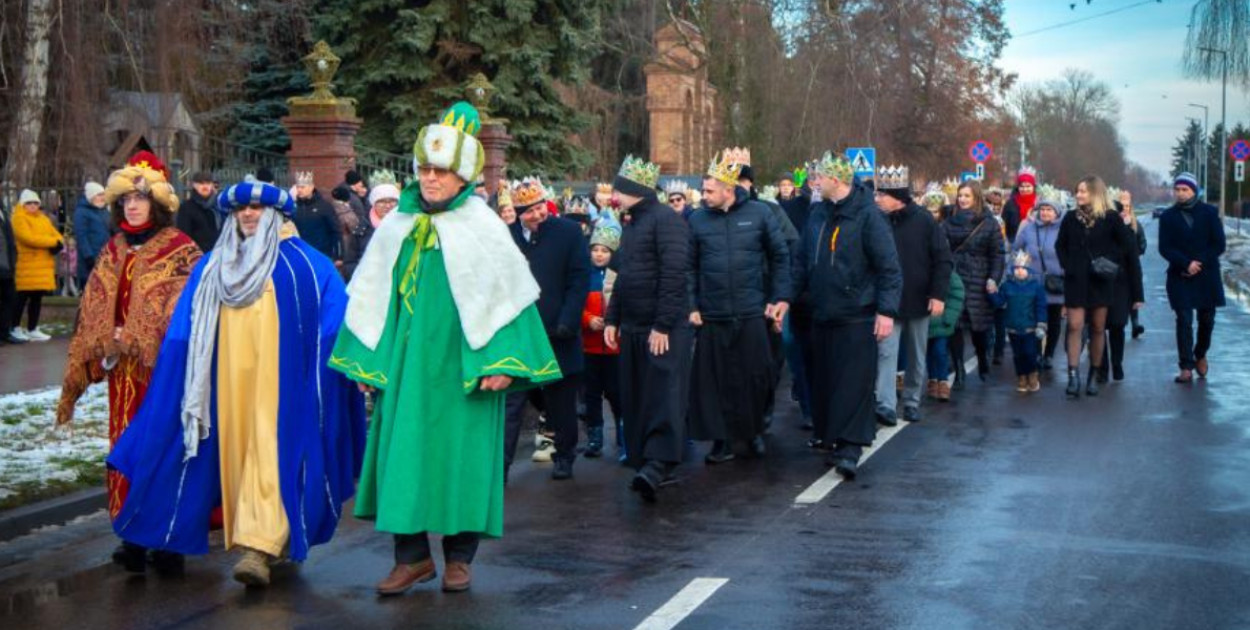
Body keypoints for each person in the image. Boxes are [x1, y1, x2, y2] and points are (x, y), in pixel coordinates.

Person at [329, 102, 558, 595]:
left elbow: (510, 296)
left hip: (465, 368)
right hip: (408, 368)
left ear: (463, 178)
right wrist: (368, 359)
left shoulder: (484, 227)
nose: (430, 179)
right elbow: (372, 296)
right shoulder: (396, 226)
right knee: (404, 457)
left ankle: (459, 556)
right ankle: (411, 558)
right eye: (426, 169)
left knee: (464, 459)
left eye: (442, 172)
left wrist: (503, 361)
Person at [106, 179, 366, 587]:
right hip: (221, 387)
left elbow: (336, 321)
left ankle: (258, 547)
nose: (248, 215)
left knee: (268, 453)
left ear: (276, 215)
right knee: (227, 459)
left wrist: (340, 368)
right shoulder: (213, 266)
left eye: (258, 209)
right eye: (240, 209)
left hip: (280, 386)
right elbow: (184, 328)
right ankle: (252, 537)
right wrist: (176, 372)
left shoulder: (305, 264)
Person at [56, 153, 202, 572]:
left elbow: (189, 310)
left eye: (140, 199)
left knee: (164, 448)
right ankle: (132, 536)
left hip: (165, 373)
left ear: (156, 204)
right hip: (122, 372)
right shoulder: (112, 248)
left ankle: (168, 540)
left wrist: (139, 336)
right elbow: (95, 303)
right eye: (126, 201)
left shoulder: (181, 249)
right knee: (124, 449)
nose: (132, 206)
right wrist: (107, 339)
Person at [790, 152, 901, 479]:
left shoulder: (868, 216)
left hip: (857, 313)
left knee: (853, 382)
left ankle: (851, 447)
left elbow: (889, 269)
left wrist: (886, 311)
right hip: (822, 312)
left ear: (835, 180)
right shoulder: (817, 213)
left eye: (819, 177)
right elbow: (801, 261)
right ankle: (833, 438)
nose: (814, 182)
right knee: (826, 380)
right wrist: (786, 297)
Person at [687, 151, 792, 463]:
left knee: (755, 376)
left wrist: (779, 297)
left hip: (751, 311)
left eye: (708, 191)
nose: (703, 196)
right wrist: (691, 304)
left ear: (728, 190)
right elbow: (688, 267)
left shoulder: (760, 214)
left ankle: (754, 431)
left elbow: (780, 256)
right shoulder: (698, 219)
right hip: (713, 313)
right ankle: (721, 439)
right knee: (715, 381)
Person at [604, 155, 693, 502]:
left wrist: (663, 325)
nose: (614, 193)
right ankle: (644, 459)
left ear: (635, 190)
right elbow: (624, 277)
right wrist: (613, 318)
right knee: (638, 397)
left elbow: (674, 276)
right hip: (634, 326)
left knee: (663, 398)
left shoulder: (666, 222)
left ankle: (659, 465)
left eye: (619, 187)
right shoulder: (632, 224)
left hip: (662, 330)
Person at [505, 177, 591, 481]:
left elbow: (579, 279)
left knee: (561, 400)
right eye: (529, 211)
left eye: (540, 207)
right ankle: (501, 466)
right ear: (517, 212)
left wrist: (568, 320)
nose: (537, 215)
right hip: (519, 336)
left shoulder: (568, 232)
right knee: (512, 401)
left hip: (559, 332)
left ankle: (564, 455)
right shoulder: (507, 236)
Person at [872, 165, 951, 425]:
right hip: (887, 302)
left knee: (917, 354)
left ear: (896, 196)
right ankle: (885, 404)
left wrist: (937, 294)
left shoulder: (924, 220)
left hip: (918, 298)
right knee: (886, 352)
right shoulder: (877, 220)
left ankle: (912, 401)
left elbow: (942, 259)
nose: (877, 199)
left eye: (881, 194)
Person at [1054, 176, 1143, 398]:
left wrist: (1109, 261)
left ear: (1095, 193)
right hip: (1076, 280)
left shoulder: (1110, 218)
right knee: (1074, 325)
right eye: (1078, 191)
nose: (1079, 195)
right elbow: (1060, 245)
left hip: (1100, 281)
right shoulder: (1070, 218)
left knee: (1097, 327)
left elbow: (1128, 245)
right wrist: (1069, 265)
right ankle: (1073, 376)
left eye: (1083, 191)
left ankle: (1093, 375)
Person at [1158, 172, 1225, 383]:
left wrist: (1199, 262)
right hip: (1180, 275)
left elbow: (1218, 244)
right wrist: (1185, 263)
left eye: (1185, 189)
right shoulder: (1168, 216)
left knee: (1206, 320)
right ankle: (1186, 366)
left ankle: (1201, 353)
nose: (1180, 193)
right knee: (1184, 320)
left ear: (1194, 191)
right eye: (1177, 189)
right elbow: (1164, 247)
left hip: (1206, 275)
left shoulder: (1209, 213)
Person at [942, 180, 1004, 386]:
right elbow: (941, 249)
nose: (962, 199)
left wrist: (994, 278)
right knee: (955, 326)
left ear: (976, 198)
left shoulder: (989, 223)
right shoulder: (949, 221)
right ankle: (959, 369)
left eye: (967, 196)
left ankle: (982, 357)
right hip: (956, 278)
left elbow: (997, 254)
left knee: (980, 328)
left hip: (979, 279)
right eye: (960, 195)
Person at [581, 224, 623, 460]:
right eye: (595, 249)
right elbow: (578, 304)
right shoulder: (584, 275)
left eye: (605, 251)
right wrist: (587, 319)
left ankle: (622, 429)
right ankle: (594, 435)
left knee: (616, 392)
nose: (599, 254)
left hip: (614, 347)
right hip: (590, 346)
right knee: (592, 394)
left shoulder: (618, 276)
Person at [1013, 199, 1066, 371]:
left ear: (1056, 212)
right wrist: (1019, 265)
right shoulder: (1029, 228)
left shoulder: (1063, 230)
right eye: (1042, 209)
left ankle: (1049, 354)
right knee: (1035, 320)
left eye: (1049, 209)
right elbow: (1016, 248)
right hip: (1033, 283)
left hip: (1055, 283)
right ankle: (1036, 353)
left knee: (1054, 320)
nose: (1044, 213)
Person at [1101, 191, 1147, 381]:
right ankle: (1101, 368)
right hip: (1100, 285)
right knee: (1098, 328)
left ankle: (1117, 363)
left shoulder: (1128, 234)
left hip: (1121, 286)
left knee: (1117, 326)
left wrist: (1138, 296)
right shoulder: (1097, 233)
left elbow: (1134, 265)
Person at [990, 251, 1048, 393]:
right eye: (1017, 268)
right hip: (1013, 328)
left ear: (1029, 270)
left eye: (1023, 268)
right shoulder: (1007, 286)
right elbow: (999, 302)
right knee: (1018, 354)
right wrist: (991, 292)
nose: (1020, 271)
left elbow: (1041, 306)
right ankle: (1021, 376)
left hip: (1030, 328)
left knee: (1030, 353)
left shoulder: (1036, 287)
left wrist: (1041, 324)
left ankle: (1032, 374)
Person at [10, 189, 63, 342]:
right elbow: (28, 238)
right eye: (29, 203)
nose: (33, 206)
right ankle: (15, 327)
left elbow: (57, 234)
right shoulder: (19, 218)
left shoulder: (43, 218)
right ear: (23, 204)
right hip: (27, 265)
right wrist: (52, 242)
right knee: (21, 297)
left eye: (35, 203)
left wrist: (58, 241)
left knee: (37, 298)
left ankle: (32, 328)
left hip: (43, 265)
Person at [291, 172, 343, 263]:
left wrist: (339, 255)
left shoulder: (324, 206)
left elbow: (336, 230)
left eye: (302, 187)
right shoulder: (293, 207)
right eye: (297, 187)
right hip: (300, 255)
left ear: (311, 187)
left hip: (322, 254)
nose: (299, 190)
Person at [73, 181, 110, 291]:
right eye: (99, 195)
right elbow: (81, 236)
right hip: (91, 258)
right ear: (91, 196)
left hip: (106, 257)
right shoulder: (81, 212)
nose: (102, 198)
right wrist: (88, 256)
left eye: (103, 194)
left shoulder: (103, 211)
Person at [177, 171, 222, 253]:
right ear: (194, 185)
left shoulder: (217, 206)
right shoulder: (186, 207)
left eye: (208, 183)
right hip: (197, 256)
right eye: (201, 183)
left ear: (212, 185)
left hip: (217, 255)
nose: (205, 186)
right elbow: (183, 236)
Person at [1002, 168, 1037, 244]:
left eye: (1028, 186)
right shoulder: (1010, 204)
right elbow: (1003, 224)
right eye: (1022, 186)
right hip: (1013, 244)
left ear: (1033, 187)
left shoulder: (1039, 204)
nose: (1024, 189)